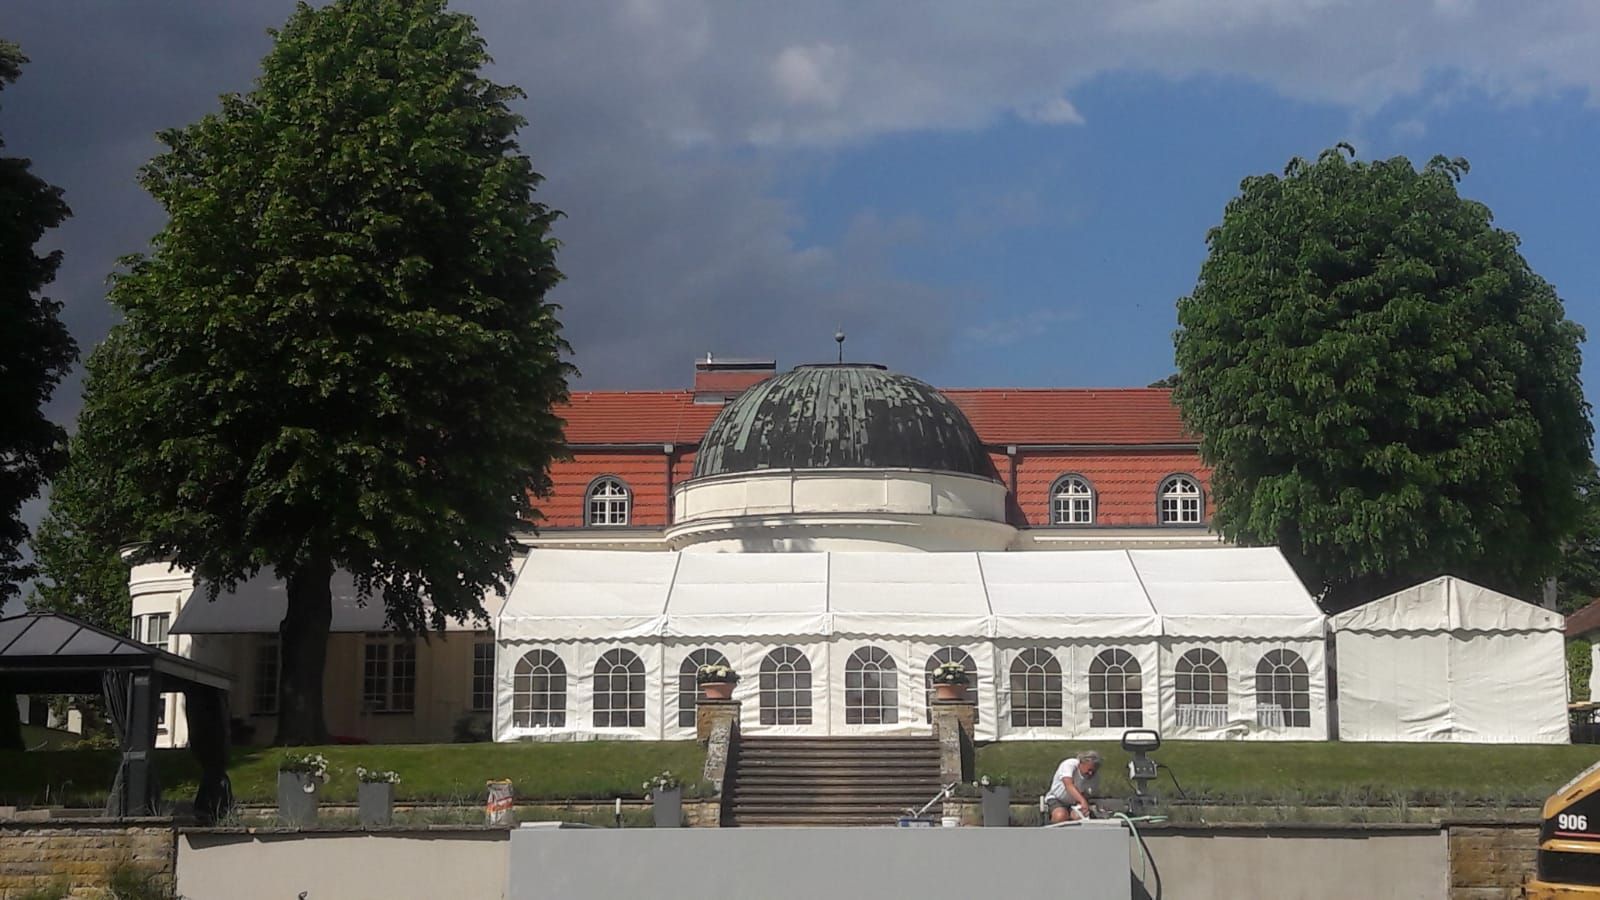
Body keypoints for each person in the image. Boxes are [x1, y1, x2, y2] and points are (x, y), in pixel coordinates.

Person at [1045, 749, 1101, 822]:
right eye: (1089, 770)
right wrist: (1082, 801)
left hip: (1075, 803)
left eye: (1093, 771)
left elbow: (1087, 793)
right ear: (1081, 763)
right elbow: (1068, 785)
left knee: (1080, 817)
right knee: (1060, 816)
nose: (1090, 773)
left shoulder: (1095, 777)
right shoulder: (1069, 764)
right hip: (1056, 798)